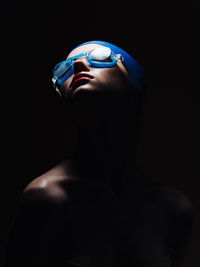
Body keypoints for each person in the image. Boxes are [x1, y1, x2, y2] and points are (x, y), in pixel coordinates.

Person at [4, 41, 194, 267]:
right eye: (65, 69)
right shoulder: (46, 199)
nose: (79, 66)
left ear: (131, 80)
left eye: (100, 57)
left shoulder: (174, 210)